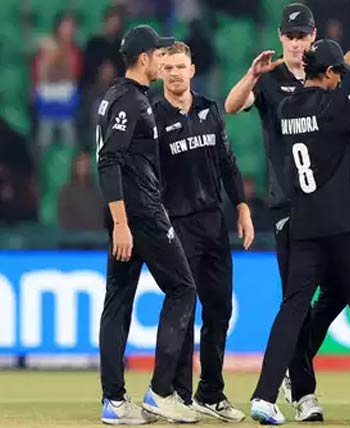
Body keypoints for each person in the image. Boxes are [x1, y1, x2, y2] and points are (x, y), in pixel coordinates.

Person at [248, 38, 350, 425]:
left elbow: (324, 95)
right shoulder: (337, 105)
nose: (340, 80)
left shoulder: (287, 108)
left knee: (292, 308)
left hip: (304, 225)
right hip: (345, 225)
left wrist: (340, 68)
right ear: (330, 73)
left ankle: (264, 396)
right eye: (338, 74)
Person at [224, 3, 350, 421]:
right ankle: (304, 393)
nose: (296, 44)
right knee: (298, 300)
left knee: (339, 291)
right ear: (280, 38)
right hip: (290, 206)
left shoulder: (327, 76)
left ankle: (293, 367)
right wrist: (252, 75)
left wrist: (343, 66)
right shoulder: (271, 82)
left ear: (313, 36)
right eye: (290, 37)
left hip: (335, 209)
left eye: (303, 36)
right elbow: (232, 106)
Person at [96, 25, 199, 424]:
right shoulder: (131, 102)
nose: (162, 59)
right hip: (140, 214)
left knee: (118, 301)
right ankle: (161, 391)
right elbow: (109, 161)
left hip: (127, 212)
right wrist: (123, 223)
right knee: (183, 289)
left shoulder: (116, 97)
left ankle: (114, 402)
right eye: (158, 54)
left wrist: (118, 219)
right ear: (144, 59)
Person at [153, 41, 253, 422]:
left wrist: (241, 207)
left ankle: (210, 392)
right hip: (178, 224)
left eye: (181, 66)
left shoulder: (210, 110)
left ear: (192, 70)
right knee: (184, 306)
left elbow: (227, 162)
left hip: (214, 222)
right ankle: (177, 394)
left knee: (220, 308)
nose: (175, 73)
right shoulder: (154, 118)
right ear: (161, 72)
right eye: (168, 67)